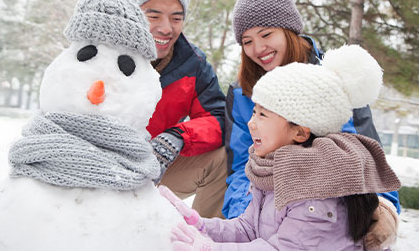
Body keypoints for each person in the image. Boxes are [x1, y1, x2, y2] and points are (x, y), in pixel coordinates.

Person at [169, 44, 402, 250]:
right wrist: (201, 224)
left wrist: (210, 249)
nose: (251, 123)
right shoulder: (272, 170)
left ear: (300, 131)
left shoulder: (317, 189)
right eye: (253, 111)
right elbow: (248, 229)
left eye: (263, 115)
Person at [223, 0, 400, 222]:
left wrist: (381, 212)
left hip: (331, 208)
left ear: (288, 29)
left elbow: (365, 156)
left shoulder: (332, 79)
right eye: (247, 41)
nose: (258, 49)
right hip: (268, 208)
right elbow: (240, 167)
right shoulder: (242, 93)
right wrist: (246, 218)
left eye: (266, 34)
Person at [130, 0, 227, 218]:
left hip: (156, 168)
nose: (166, 28)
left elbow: (218, 118)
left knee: (223, 158)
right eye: (153, 15)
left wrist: (178, 136)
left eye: (176, 18)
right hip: (96, 170)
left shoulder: (192, 64)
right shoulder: (104, 54)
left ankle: (205, 238)